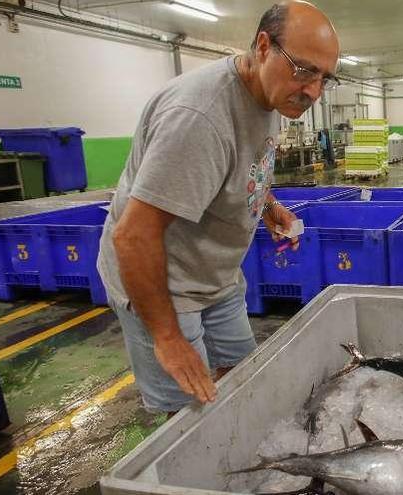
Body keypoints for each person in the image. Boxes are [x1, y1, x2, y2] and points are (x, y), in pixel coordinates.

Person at [96, 1, 340, 413]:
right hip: (165, 288)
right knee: (188, 414)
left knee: (243, 380)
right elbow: (133, 235)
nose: (313, 91)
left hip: (216, 280)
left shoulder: (272, 94)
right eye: (304, 70)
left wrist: (267, 205)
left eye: (324, 77)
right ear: (264, 46)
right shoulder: (199, 119)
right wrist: (169, 339)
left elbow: (242, 163)